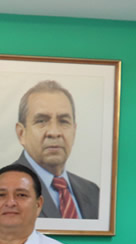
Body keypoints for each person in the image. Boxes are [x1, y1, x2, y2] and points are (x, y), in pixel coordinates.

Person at [11, 80, 99, 219]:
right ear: (21, 133)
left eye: (63, 121)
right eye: (41, 121)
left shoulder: (93, 192)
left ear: (74, 131)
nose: (54, 132)